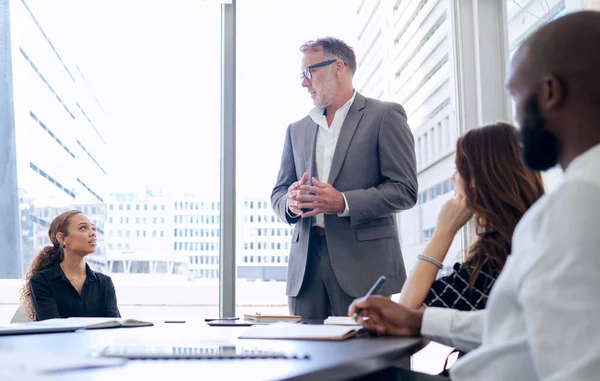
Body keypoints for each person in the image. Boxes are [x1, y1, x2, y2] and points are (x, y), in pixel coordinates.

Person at [349, 11, 600, 380]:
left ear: (550, 93)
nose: (515, 117)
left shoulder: (576, 205)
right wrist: (419, 320)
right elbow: (519, 327)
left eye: (516, 94)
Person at [271, 37, 418, 320]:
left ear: (338, 67)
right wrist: (289, 203)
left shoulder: (385, 116)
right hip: (306, 270)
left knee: (364, 358)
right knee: (306, 359)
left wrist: (343, 202)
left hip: (363, 267)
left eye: (308, 72)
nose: (304, 83)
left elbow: (405, 189)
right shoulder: (296, 130)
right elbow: (278, 192)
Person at [399, 123, 544, 312]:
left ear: (476, 180)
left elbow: (407, 313)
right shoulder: (537, 232)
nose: (453, 178)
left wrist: (443, 232)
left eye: (458, 169)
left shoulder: (491, 262)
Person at [20, 210, 121, 321]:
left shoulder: (104, 282)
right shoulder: (41, 281)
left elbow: (114, 326)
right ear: (62, 238)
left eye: (93, 228)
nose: (93, 233)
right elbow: (52, 328)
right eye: (83, 228)